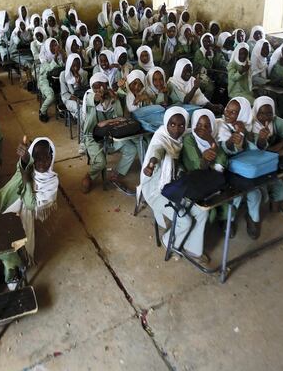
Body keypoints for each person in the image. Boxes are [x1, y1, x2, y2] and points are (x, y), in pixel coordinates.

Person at [140, 106, 209, 263]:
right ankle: (169, 241)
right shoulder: (161, 138)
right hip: (156, 191)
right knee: (185, 220)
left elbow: (195, 129)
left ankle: (193, 249)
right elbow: (157, 152)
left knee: (202, 211)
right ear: (166, 123)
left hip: (173, 186)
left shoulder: (181, 136)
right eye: (172, 124)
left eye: (181, 125)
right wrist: (151, 164)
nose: (177, 129)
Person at [0, 137, 58, 270]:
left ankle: (13, 263)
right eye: (36, 156)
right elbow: (23, 166)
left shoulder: (51, 183)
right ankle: (0, 256)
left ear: (51, 156)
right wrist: (24, 158)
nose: (41, 161)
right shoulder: (29, 167)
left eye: (45, 156)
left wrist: (27, 181)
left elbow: (32, 205)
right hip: (6, 203)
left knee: (9, 236)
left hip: (26, 211)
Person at [81, 73, 138, 193]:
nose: (98, 90)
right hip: (93, 137)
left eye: (101, 86)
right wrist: (99, 97)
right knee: (101, 162)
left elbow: (120, 118)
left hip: (112, 137)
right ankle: (90, 175)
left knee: (132, 150)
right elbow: (95, 98)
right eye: (95, 87)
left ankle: (116, 173)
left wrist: (115, 99)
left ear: (106, 85)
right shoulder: (89, 96)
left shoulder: (113, 97)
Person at [217, 97, 262, 239]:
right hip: (227, 169)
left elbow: (257, 149)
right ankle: (228, 220)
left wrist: (244, 133)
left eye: (233, 112)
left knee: (255, 194)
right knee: (234, 195)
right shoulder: (221, 125)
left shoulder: (249, 126)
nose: (227, 114)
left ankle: (253, 219)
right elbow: (227, 147)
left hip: (247, 168)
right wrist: (236, 138)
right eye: (227, 110)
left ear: (243, 115)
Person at [250, 96, 283, 208]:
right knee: (260, 197)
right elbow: (257, 152)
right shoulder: (249, 125)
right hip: (256, 167)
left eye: (269, 113)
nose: (265, 117)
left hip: (270, 164)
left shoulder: (275, 121)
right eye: (261, 113)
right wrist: (275, 151)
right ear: (255, 111)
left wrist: (281, 144)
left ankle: (273, 202)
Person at [37, 38, 64, 123]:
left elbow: (63, 67)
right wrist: (55, 56)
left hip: (56, 81)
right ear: (47, 47)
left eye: (56, 45)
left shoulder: (59, 56)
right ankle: (42, 111)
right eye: (52, 46)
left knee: (63, 93)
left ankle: (60, 109)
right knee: (51, 96)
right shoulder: (44, 58)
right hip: (44, 81)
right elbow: (49, 70)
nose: (55, 47)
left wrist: (62, 55)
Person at [193, 33, 225, 99]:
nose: (207, 43)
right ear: (202, 42)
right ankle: (205, 101)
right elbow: (208, 66)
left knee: (222, 80)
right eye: (205, 41)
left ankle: (217, 98)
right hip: (199, 74)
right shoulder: (199, 52)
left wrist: (218, 52)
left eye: (209, 41)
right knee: (210, 87)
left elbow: (217, 62)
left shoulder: (211, 51)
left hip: (211, 72)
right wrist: (208, 57)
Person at [59, 53, 88, 121]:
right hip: (68, 98)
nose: (76, 68)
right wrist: (78, 100)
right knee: (79, 108)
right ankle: (83, 128)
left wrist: (79, 83)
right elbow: (65, 93)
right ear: (69, 65)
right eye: (73, 66)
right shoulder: (63, 75)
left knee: (87, 108)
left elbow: (84, 90)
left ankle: (85, 124)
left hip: (81, 97)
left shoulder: (84, 74)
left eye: (78, 66)